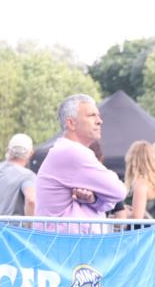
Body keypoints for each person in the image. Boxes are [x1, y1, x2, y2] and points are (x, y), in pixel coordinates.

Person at [35, 94, 127, 229]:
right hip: (67, 244)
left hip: (66, 243)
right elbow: (119, 191)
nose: (99, 121)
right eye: (91, 115)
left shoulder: (65, 150)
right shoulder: (73, 152)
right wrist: (99, 199)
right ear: (71, 123)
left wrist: (94, 199)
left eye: (98, 115)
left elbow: (114, 198)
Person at [0, 134, 37, 216]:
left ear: (8, 150)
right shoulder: (27, 175)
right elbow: (31, 200)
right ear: (31, 153)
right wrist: (31, 226)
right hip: (13, 228)